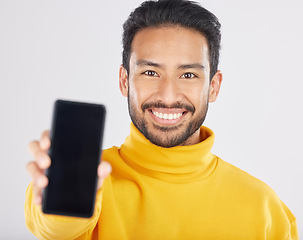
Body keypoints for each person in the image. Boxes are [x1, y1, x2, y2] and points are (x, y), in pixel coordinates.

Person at [25, 0, 299, 239]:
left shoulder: (264, 206)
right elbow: (55, 230)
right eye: (151, 73)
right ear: (124, 80)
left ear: (213, 87)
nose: (168, 96)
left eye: (188, 75)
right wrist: (57, 201)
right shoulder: (88, 180)